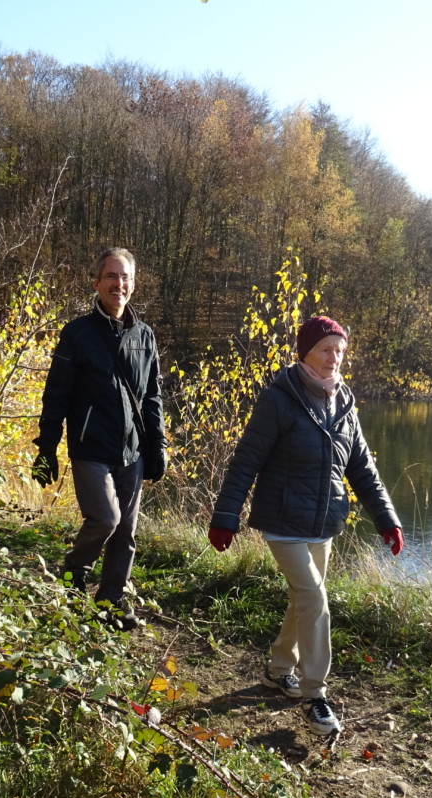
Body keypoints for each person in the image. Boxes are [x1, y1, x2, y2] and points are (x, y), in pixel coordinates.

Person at [207, 315, 403, 735]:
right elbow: (247, 461)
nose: (334, 358)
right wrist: (226, 516)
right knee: (314, 598)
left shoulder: (344, 402)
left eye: (340, 351)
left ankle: (280, 670)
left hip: (323, 523)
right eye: (326, 350)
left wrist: (387, 519)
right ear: (307, 353)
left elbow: (363, 469)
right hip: (282, 521)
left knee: (303, 600)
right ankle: (315, 694)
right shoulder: (281, 398)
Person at [33, 247, 167, 631]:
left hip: (133, 450)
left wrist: (157, 445)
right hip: (91, 447)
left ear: (133, 285)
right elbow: (56, 394)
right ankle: (74, 573)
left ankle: (111, 603)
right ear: (97, 283)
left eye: (125, 277)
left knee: (126, 532)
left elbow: (152, 396)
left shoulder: (145, 336)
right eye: (111, 276)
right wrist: (46, 447)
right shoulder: (77, 334)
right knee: (106, 519)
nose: (118, 284)